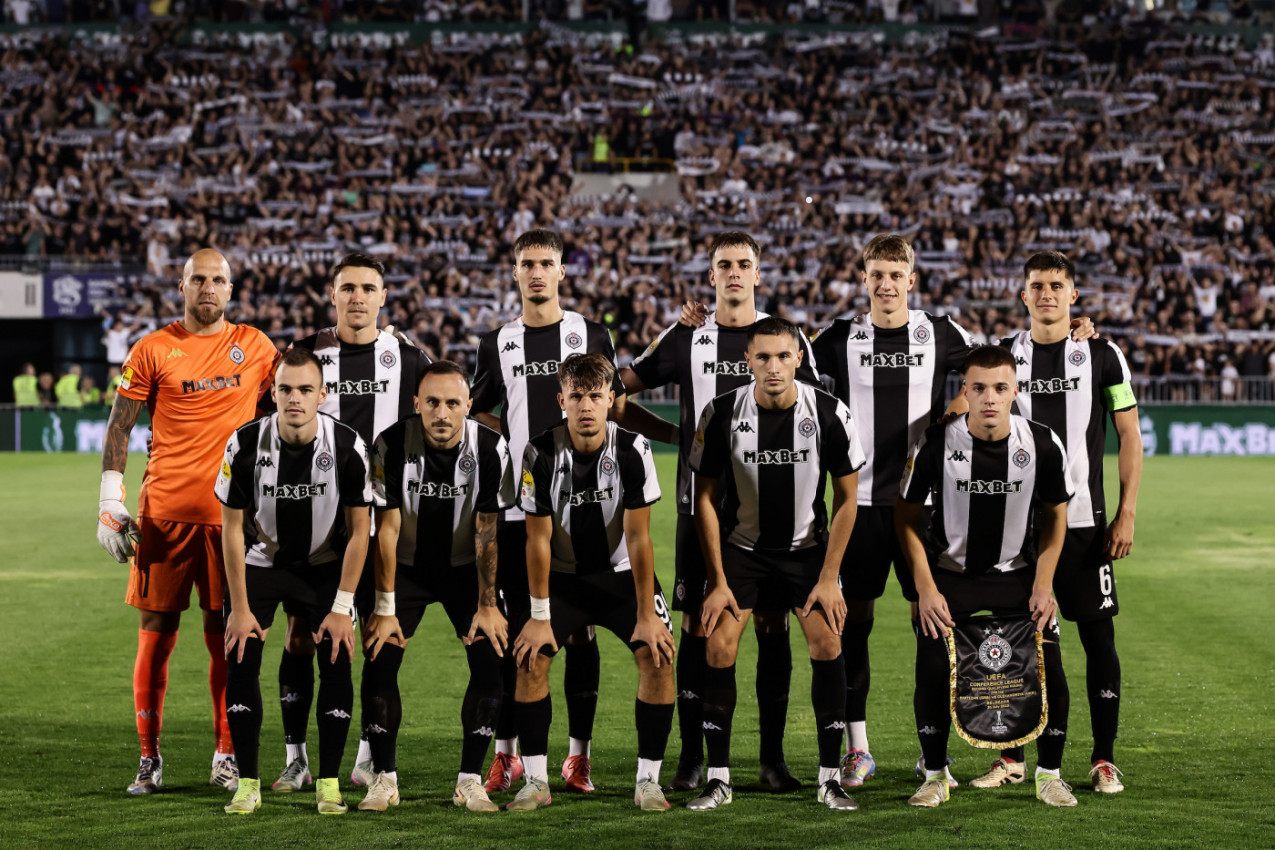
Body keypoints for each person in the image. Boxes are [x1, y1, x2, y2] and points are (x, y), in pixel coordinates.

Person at [809, 234, 1093, 789]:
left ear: (911, 280)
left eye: (896, 274)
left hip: (927, 509)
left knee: (932, 628)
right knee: (854, 629)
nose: (886, 284)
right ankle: (858, 747)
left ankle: (931, 758)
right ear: (863, 280)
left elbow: (998, 365)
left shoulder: (940, 333)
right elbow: (784, 361)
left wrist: (1074, 333)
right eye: (876, 275)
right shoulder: (839, 337)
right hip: (860, 507)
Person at [623, 230, 820, 792]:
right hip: (698, 508)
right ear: (711, 276)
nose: (734, 273)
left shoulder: (784, 339)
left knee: (771, 624)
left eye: (744, 264)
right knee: (698, 627)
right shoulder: (688, 336)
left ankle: (772, 759)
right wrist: (677, 435)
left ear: (759, 274)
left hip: (771, 517)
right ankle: (692, 757)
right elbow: (619, 390)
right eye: (724, 265)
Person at [96, 249, 279, 795]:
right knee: (155, 637)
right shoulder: (153, 348)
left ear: (231, 288)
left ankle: (226, 752)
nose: (209, 288)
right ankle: (149, 758)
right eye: (199, 279)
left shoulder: (257, 348)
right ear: (181, 286)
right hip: (164, 515)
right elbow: (119, 425)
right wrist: (110, 496)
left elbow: (303, 389)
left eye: (218, 280)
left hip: (231, 519)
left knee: (227, 640)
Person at [968, 251, 1141, 794]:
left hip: (1087, 526)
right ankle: (1011, 757)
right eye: (1037, 285)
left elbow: (1129, 435)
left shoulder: (1103, 355)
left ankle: (1104, 758)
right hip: (1017, 530)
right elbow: (969, 412)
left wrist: (1126, 511)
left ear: (1074, 295)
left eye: (1057, 285)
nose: (1047, 294)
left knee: (1098, 638)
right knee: (1016, 641)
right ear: (1023, 295)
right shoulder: (1005, 360)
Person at [471, 229, 629, 794]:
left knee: (581, 632)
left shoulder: (591, 333)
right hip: (518, 513)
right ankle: (507, 756)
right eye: (526, 264)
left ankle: (577, 757)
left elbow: (617, 404)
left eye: (547, 263)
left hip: (583, 510)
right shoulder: (498, 343)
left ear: (562, 271)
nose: (537, 273)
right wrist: (514, 448)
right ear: (514, 272)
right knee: (517, 635)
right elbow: (477, 410)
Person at [685, 316, 865, 812]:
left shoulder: (829, 413)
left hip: (807, 553)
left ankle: (831, 779)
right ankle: (718, 778)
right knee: (719, 645)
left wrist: (830, 578)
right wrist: (718, 581)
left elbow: (849, 499)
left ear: (799, 358)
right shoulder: (720, 413)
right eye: (762, 357)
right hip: (742, 551)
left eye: (783, 356)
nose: (773, 366)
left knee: (827, 641)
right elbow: (704, 498)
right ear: (747, 361)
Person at [272, 252, 431, 794]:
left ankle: (367, 755)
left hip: (385, 521)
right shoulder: (306, 354)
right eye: (348, 288)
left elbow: (440, 413)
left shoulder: (408, 356)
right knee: (299, 637)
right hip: (317, 525)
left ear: (384, 297)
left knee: (378, 639)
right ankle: (296, 758)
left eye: (368, 288)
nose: (358, 297)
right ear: (332, 294)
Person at [897, 344, 1077, 809]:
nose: (990, 398)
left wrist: (1044, 584)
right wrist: (925, 587)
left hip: (1017, 576)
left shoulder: (1040, 441)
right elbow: (906, 519)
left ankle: (1050, 774)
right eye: (979, 388)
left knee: (1050, 672)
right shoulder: (936, 442)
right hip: (951, 576)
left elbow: (1057, 517)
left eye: (1000, 388)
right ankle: (935, 774)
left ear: (1015, 391)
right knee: (933, 669)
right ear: (965, 392)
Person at [505, 353, 676, 812]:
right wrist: (539, 618)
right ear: (561, 400)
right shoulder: (538, 452)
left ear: (610, 400)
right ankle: (536, 781)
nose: (585, 406)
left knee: (658, 656)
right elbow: (536, 541)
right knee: (530, 658)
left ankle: (648, 781)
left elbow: (639, 538)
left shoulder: (633, 449)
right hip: (559, 579)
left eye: (595, 396)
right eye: (576, 396)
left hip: (620, 576)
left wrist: (646, 615)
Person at [216, 347, 373, 815]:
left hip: (324, 567)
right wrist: (240, 609)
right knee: (241, 656)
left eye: (306, 389)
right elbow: (229, 529)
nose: (295, 399)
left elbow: (361, 530)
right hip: (261, 565)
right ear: (273, 392)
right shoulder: (243, 444)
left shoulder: (347, 445)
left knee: (337, 657)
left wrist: (343, 607)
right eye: (286, 389)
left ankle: (327, 781)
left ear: (323, 394)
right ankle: (248, 782)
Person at [361, 361, 516, 812]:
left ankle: (469, 780)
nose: (442, 413)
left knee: (490, 660)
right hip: (404, 568)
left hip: (467, 568)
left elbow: (488, 529)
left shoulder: (490, 447)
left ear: (469, 405)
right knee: (379, 660)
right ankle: (384, 778)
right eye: (432, 402)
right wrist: (385, 606)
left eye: (452, 403)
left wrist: (488, 604)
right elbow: (385, 530)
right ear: (416, 405)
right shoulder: (390, 444)